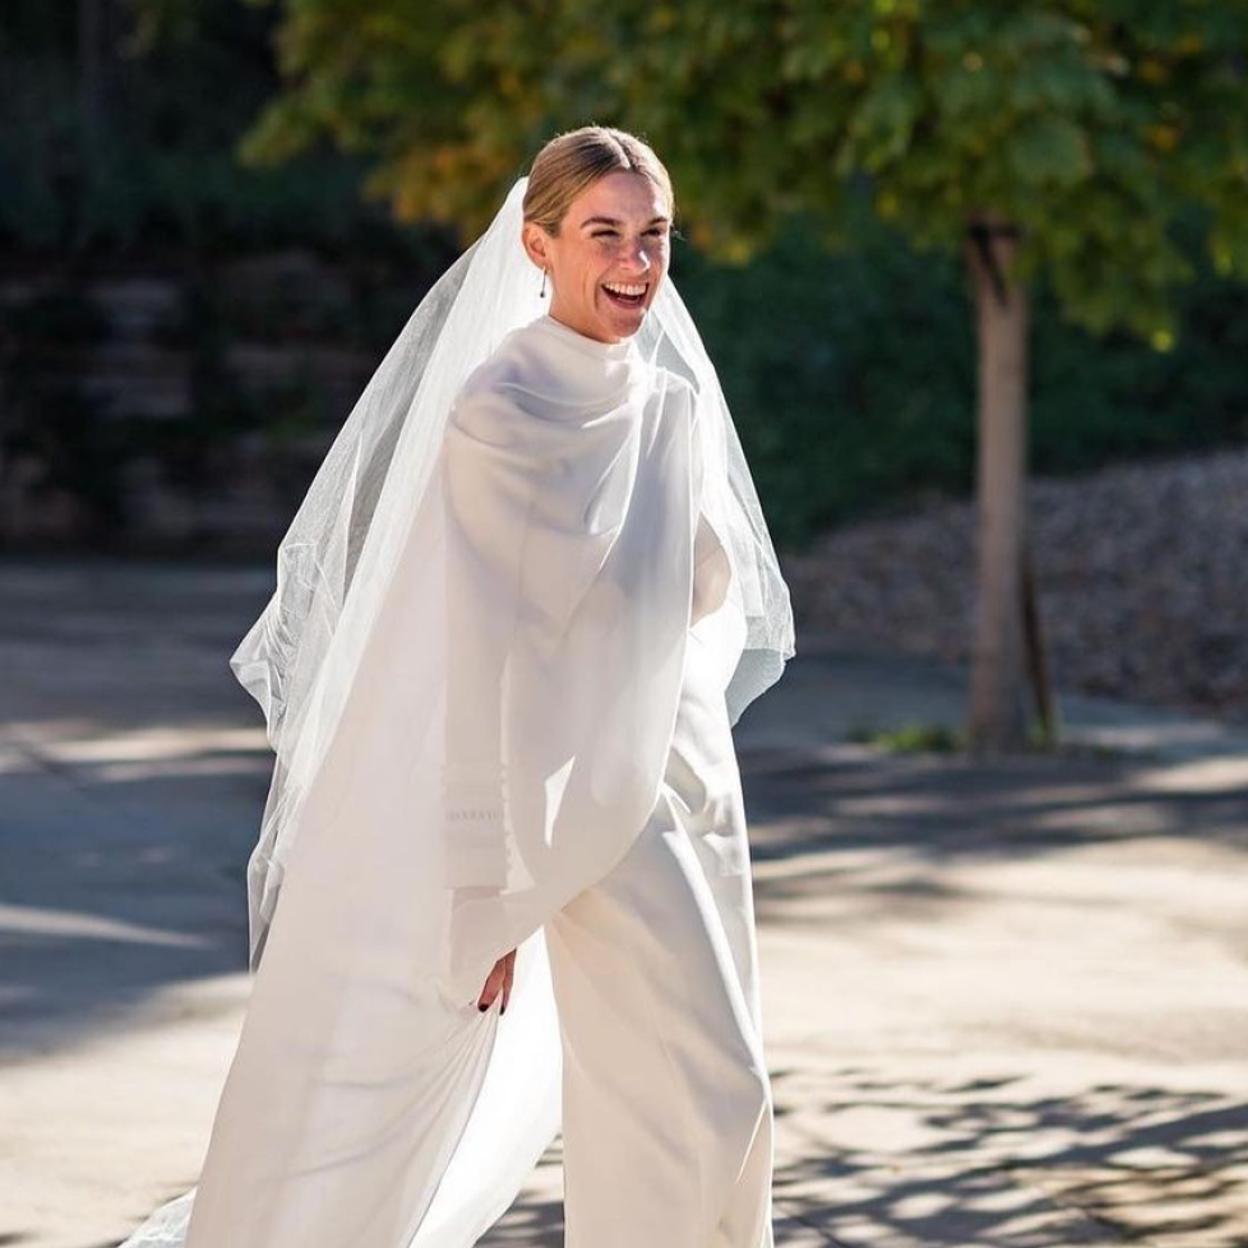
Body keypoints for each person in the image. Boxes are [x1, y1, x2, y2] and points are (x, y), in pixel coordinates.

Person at [116, 125, 794, 1248]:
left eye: (655, 236)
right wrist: (487, 891)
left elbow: (706, 593)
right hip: (572, 804)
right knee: (709, 1087)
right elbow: (477, 657)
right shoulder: (502, 412)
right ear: (538, 245)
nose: (636, 264)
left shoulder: (669, 404)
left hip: (683, 787)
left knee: (691, 1095)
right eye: (604, 234)